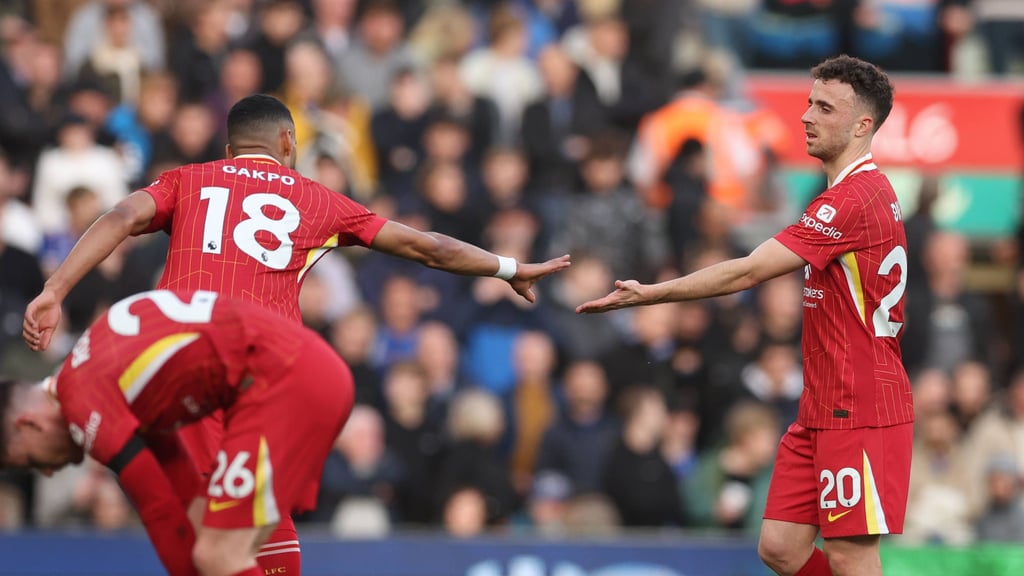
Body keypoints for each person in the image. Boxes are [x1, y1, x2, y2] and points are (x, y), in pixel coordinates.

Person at [22, 93, 570, 574]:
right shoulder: (318, 200)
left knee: (204, 538)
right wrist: (506, 267)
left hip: (186, 374)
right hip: (266, 383)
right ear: (288, 140)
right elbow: (428, 247)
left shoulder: (187, 180)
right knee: (258, 537)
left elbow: (119, 217)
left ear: (230, 144)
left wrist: (55, 289)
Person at [578, 55, 913, 576]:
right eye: (808, 102)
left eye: (825, 108)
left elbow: (748, 272)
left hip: (860, 405)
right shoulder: (853, 193)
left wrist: (651, 294)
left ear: (861, 125)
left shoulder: (851, 198)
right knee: (779, 546)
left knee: (850, 554)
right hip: (823, 404)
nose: (806, 116)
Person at [2, 289, 357, 576]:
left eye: (31, 460)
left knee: (217, 555)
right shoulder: (99, 376)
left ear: (29, 423)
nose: (47, 470)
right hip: (312, 373)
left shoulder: (82, 404)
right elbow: (187, 496)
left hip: (282, 385)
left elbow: (158, 511)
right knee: (226, 540)